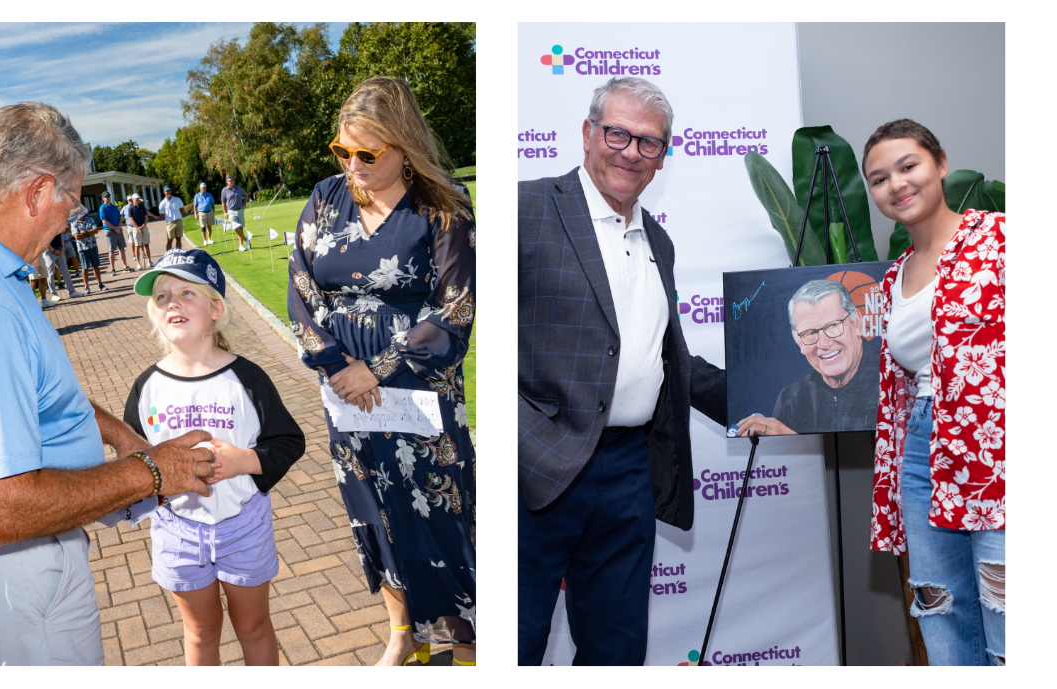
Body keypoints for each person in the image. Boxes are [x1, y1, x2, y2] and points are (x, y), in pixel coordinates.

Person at [0, 100, 220, 667]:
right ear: (38, 192)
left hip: (42, 552)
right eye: (71, 197)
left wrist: (116, 432)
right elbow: (1, 507)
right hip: (23, 569)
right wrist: (151, 471)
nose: (72, 216)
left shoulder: (7, 277)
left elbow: (41, 391)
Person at [516, 76, 727, 666]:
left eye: (649, 143)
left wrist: (759, 395)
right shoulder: (526, 207)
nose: (631, 151)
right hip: (536, 471)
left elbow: (668, 358)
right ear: (588, 134)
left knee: (617, 648)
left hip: (629, 472)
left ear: (662, 158)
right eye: (618, 133)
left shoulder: (658, 239)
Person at [289, 76, 477, 668]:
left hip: (421, 386)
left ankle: (467, 636)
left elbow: (459, 307)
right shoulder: (324, 199)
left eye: (367, 153)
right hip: (346, 391)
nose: (353, 164)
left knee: (443, 506)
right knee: (372, 503)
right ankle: (403, 632)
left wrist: (380, 367)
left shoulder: (443, 203)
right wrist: (336, 364)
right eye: (342, 150)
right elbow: (301, 291)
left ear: (404, 145)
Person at [861, 119, 1006, 667]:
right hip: (921, 447)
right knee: (939, 607)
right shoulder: (891, 277)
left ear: (940, 164)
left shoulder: (996, 237)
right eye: (878, 178)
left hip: (994, 450)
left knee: (1002, 601)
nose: (895, 184)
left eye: (907, 166)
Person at [124, 248, 306, 666]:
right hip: (177, 529)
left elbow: (288, 441)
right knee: (201, 632)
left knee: (253, 627)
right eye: (162, 297)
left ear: (216, 308)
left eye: (187, 293)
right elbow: (133, 459)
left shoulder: (246, 377)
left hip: (242, 525)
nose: (172, 303)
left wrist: (244, 461)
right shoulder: (147, 386)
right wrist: (152, 480)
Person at [733, 280, 879, 437]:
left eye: (833, 325)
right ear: (798, 341)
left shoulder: (893, 384)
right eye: (810, 333)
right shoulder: (791, 398)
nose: (824, 343)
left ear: (856, 322)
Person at [69, 207, 109, 292]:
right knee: (85, 268)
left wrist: (85, 232)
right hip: (82, 248)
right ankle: (86, 286)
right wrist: (89, 233)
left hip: (93, 246)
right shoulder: (74, 222)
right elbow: (76, 236)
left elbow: (96, 231)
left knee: (96, 266)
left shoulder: (90, 219)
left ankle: (100, 284)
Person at [100, 190, 132, 273]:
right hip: (110, 231)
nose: (108, 198)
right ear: (103, 198)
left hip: (118, 229)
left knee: (121, 248)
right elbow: (104, 221)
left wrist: (119, 227)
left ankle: (125, 266)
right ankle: (113, 269)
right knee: (112, 251)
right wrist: (115, 228)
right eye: (106, 197)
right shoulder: (102, 208)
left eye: (108, 196)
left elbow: (120, 217)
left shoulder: (114, 206)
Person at [123, 193, 154, 268]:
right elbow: (131, 219)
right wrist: (138, 228)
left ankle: (149, 261)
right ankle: (138, 263)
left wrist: (143, 226)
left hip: (144, 227)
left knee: (146, 244)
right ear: (133, 199)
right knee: (137, 245)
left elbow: (146, 217)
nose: (137, 199)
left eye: (138, 198)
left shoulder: (142, 207)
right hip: (135, 229)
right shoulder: (131, 208)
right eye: (135, 198)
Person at [222, 176, 252, 251]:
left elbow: (245, 195)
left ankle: (241, 246)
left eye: (232, 180)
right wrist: (225, 212)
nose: (231, 181)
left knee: (240, 228)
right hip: (231, 211)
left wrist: (244, 204)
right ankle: (246, 239)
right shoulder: (224, 190)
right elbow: (223, 202)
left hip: (240, 210)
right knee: (235, 227)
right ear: (227, 182)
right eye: (230, 180)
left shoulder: (239, 188)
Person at [157, 186, 187, 251]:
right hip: (170, 223)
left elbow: (181, 209)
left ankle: (178, 253)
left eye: (169, 190)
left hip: (179, 221)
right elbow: (162, 215)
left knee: (179, 239)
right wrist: (168, 219)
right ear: (164, 192)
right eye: (167, 191)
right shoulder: (162, 203)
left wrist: (177, 216)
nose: (168, 192)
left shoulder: (177, 199)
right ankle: (169, 255)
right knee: (170, 240)